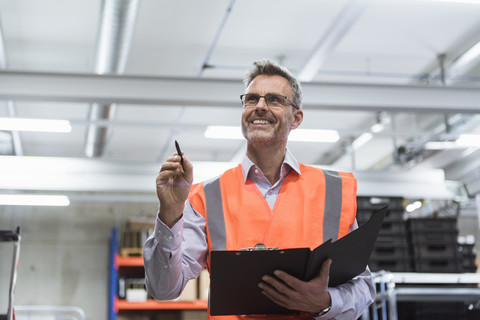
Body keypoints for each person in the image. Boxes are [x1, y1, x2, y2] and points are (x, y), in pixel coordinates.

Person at [143, 59, 375, 319]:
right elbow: (164, 289)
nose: (260, 107)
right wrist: (171, 212)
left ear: (296, 118)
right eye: (251, 99)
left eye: (274, 100)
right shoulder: (205, 197)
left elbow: (363, 287)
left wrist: (324, 301)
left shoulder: (333, 190)